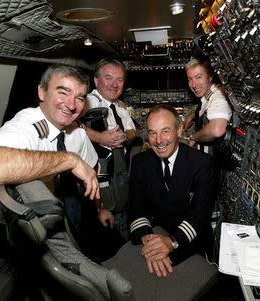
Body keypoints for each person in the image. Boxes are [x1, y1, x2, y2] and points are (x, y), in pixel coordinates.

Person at [0, 64, 117, 261]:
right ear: (41, 91)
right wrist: (69, 160)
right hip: (3, 224)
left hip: (54, 211)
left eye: (79, 97)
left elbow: (90, 175)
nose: (71, 104)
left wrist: (100, 209)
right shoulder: (26, 126)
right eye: (63, 92)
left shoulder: (78, 136)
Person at [128, 104, 217, 278]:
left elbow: (199, 215)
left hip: (189, 243)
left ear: (179, 130)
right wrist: (149, 242)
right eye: (153, 133)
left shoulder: (202, 163)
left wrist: (172, 242)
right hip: (155, 236)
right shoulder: (140, 162)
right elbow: (135, 208)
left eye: (165, 131)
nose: (159, 140)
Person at [82, 58, 137, 238]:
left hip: (121, 173)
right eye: (108, 78)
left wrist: (124, 137)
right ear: (96, 81)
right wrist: (100, 137)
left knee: (124, 220)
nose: (115, 84)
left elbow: (132, 130)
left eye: (119, 80)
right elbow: (70, 125)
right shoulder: (86, 102)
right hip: (101, 178)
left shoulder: (119, 107)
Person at [183, 58, 232, 151]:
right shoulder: (209, 93)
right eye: (190, 79)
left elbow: (217, 130)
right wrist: (194, 115)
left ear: (210, 77)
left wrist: (193, 137)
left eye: (198, 77)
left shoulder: (218, 97)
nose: (193, 84)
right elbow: (208, 106)